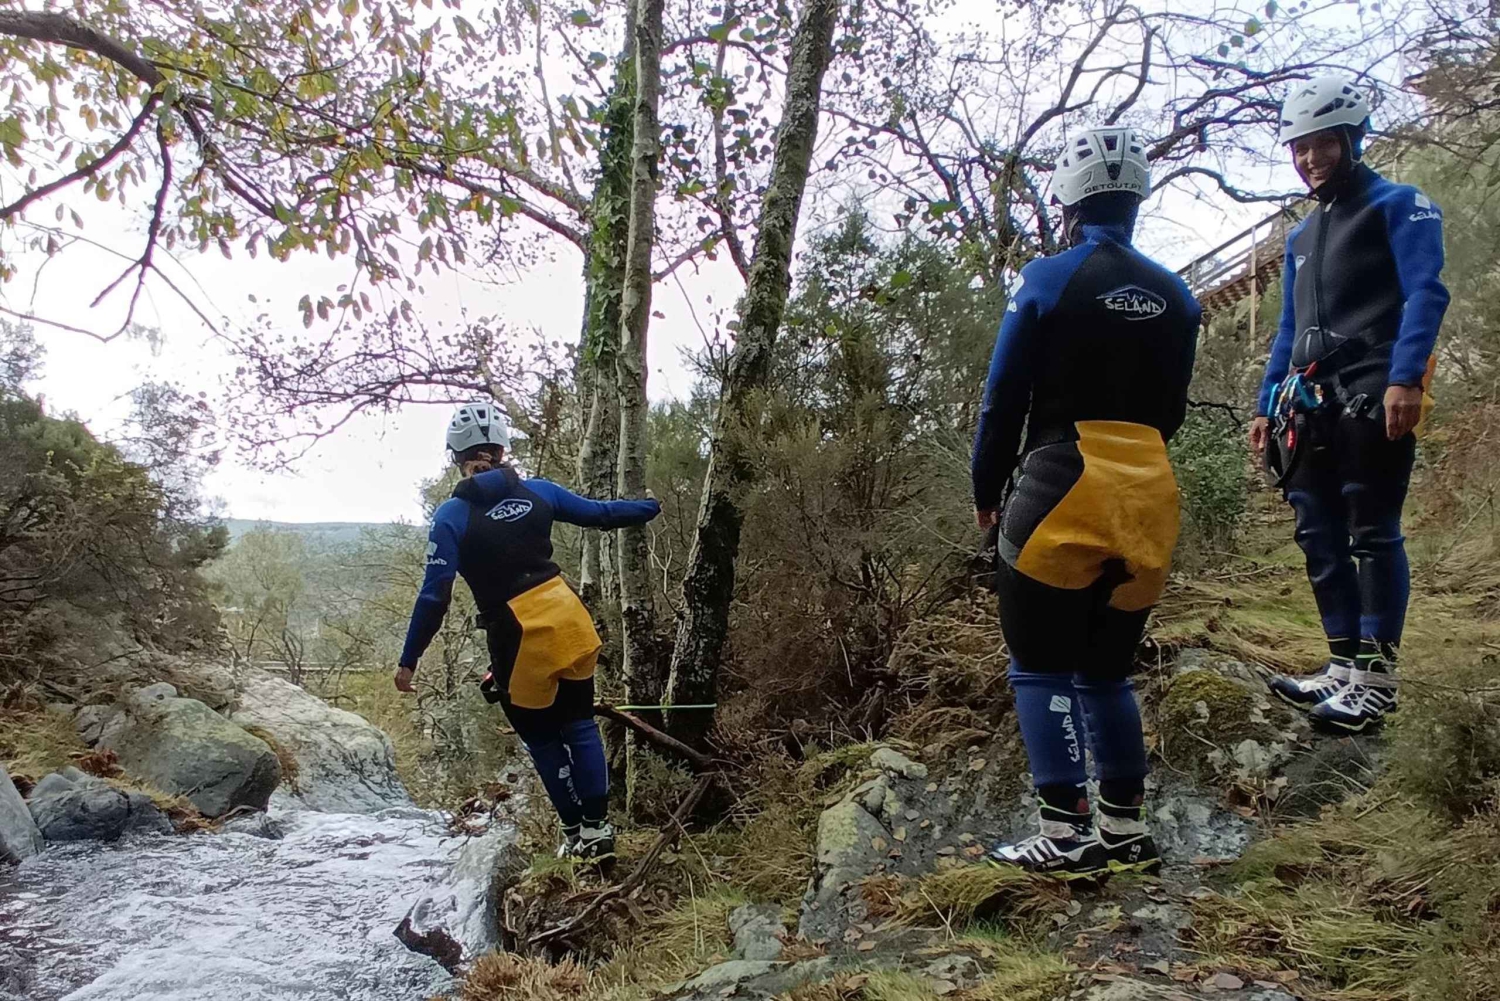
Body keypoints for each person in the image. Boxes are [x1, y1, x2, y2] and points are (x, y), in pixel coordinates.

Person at [972, 127, 1200, 877]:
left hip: (1062, 483)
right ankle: (1126, 829)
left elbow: (1003, 397)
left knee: (1039, 667)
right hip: (1151, 490)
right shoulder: (1179, 296)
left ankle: (1065, 832)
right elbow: (1173, 410)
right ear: (1138, 198)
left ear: (1067, 197)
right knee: (1106, 671)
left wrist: (986, 488)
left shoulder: (1045, 279)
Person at [1251, 75, 1449, 733]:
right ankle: (1341, 663)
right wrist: (1264, 402)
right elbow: (1287, 327)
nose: (1309, 159)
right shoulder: (1301, 239)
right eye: (1299, 148)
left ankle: (1377, 679)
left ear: (1351, 139)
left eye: (1321, 146)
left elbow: (1426, 292)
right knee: (1318, 533)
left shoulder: (1400, 205)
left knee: (1372, 530)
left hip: (1372, 389)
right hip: (1305, 402)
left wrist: (1406, 379)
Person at [396, 401, 660, 859]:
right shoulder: (538, 491)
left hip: (518, 633)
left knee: (542, 739)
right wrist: (649, 506)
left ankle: (577, 834)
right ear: (502, 448)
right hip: (570, 619)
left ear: (456, 457)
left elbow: (434, 596)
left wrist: (409, 659)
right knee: (580, 726)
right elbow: (601, 514)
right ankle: (599, 830)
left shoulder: (452, 517)